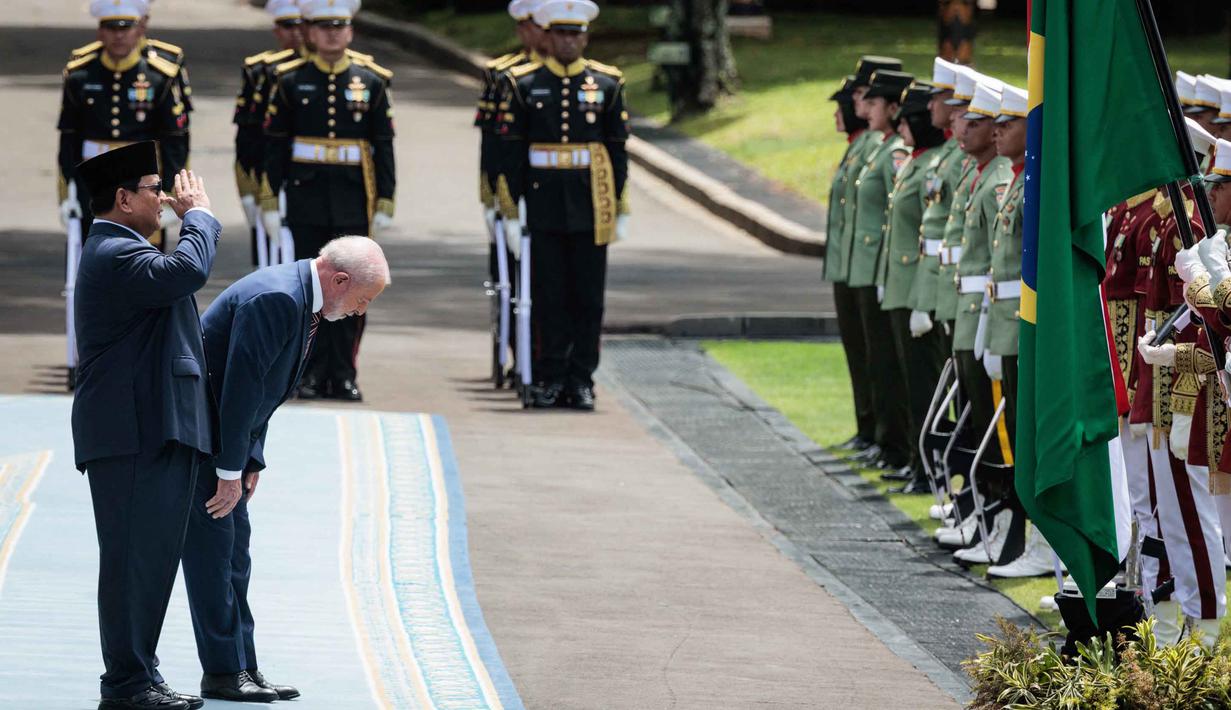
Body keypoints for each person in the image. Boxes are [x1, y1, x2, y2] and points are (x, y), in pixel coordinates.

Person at [180, 236, 389, 702]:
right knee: (214, 560)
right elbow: (239, 390)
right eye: (362, 300)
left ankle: (242, 666)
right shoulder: (278, 298)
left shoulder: (299, 297)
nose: (359, 312)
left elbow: (263, 393)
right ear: (339, 280)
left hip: (227, 446)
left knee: (235, 559)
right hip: (203, 446)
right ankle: (221, 672)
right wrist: (229, 471)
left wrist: (250, 460)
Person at [71, 142, 219, 710]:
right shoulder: (114, 251)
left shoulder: (127, 249)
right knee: (134, 560)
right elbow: (188, 270)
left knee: (150, 559)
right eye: (153, 188)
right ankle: (127, 683)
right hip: (130, 432)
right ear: (122, 198)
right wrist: (199, 218)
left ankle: (140, 673)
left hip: (150, 427)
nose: (164, 198)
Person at [495, 0, 630, 410]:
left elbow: (617, 151)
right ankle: (550, 375)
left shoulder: (607, 84)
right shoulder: (523, 83)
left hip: (593, 205)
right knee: (549, 296)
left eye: (576, 34)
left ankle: (581, 378)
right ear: (547, 37)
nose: (569, 41)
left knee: (588, 299)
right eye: (561, 34)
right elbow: (511, 154)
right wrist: (511, 210)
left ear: (585, 37)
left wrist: (619, 207)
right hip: (544, 203)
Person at [262, 0, 395, 401]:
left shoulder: (370, 80)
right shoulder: (288, 80)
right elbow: (274, 146)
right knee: (312, 291)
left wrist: (386, 198)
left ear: (351, 30)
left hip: (354, 200)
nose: (333, 33)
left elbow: (383, 144)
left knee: (355, 291)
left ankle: (344, 372)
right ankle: (308, 372)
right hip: (306, 198)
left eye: (340, 26)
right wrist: (269, 199)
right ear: (310, 32)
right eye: (323, 26)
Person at [1135, 120, 1227, 645]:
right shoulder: (1171, 220)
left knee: (1193, 516)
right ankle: (1180, 621)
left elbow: (1209, 324)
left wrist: (1182, 398)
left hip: (1188, 385)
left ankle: (1207, 626)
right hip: (1165, 378)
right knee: (1170, 516)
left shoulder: (1191, 226)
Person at [877, 81, 948, 494]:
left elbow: (937, 239)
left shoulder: (939, 163)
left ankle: (928, 469)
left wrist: (929, 297)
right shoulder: (923, 162)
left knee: (926, 385)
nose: (902, 125)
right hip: (909, 286)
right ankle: (916, 461)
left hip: (928, 290)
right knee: (911, 381)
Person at [844, 68, 913, 475]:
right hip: (866, 264)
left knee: (889, 362)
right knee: (871, 357)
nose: (862, 108)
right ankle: (877, 435)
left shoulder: (893, 153)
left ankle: (894, 442)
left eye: (871, 101)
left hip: (885, 268)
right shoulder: (875, 147)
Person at [823, 72, 875, 453]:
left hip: (869, 268)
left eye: (858, 99)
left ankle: (884, 435)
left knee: (877, 358)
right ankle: (868, 428)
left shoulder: (878, 148)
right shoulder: (859, 146)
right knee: (860, 354)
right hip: (849, 264)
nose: (843, 111)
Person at [234, 0, 306, 268]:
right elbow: (248, 137)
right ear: (277, 30)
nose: (297, 32)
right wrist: (250, 190)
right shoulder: (263, 71)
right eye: (289, 25)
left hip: (312, 179)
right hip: (274, 177)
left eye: (303, 25)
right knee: (277, 263)